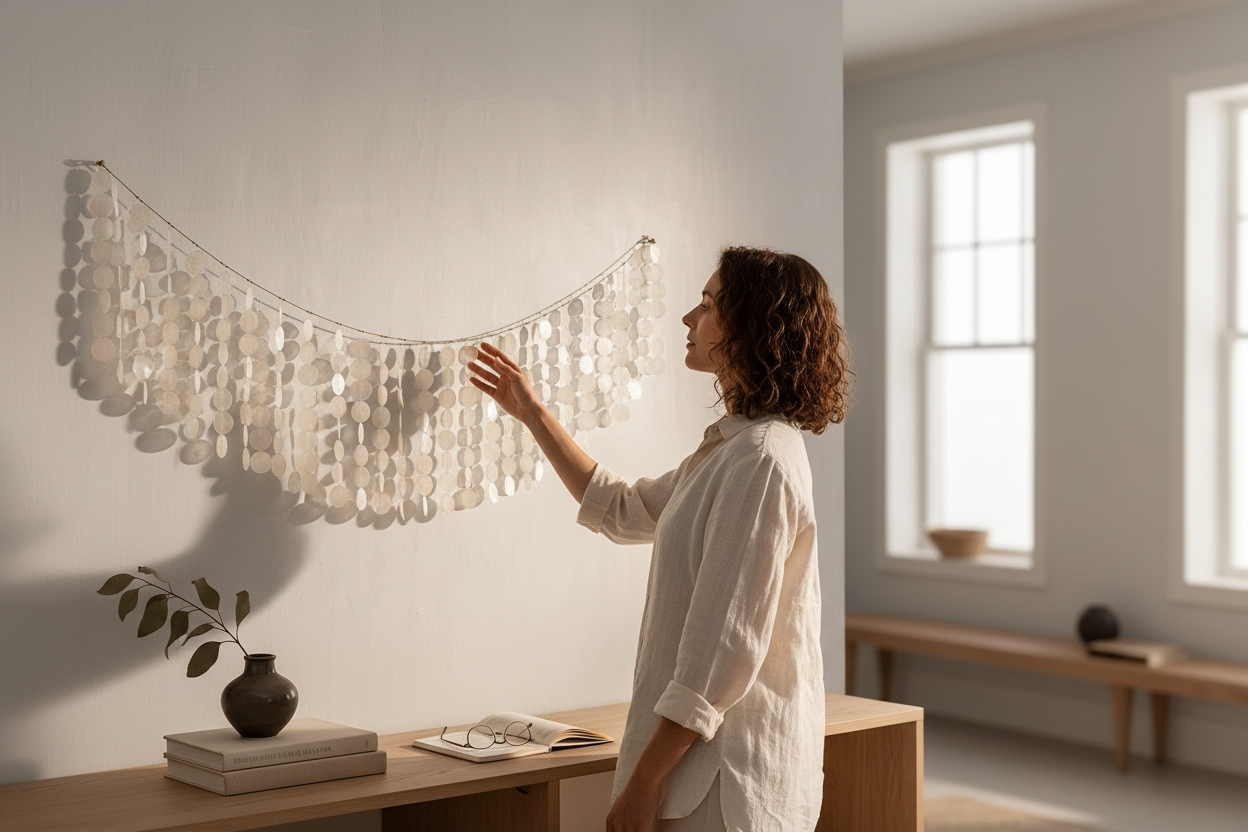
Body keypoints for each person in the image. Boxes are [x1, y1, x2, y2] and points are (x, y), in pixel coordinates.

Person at [468, 246, 851, 832]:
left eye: (706, 305)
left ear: (750, 326)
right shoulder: (732, 451)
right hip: (702, 772)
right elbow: (621, 509)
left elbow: (722, 652)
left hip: (725, 784)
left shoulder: (761, 462)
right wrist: (531, 413)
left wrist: (644, 782)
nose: (687, 321)